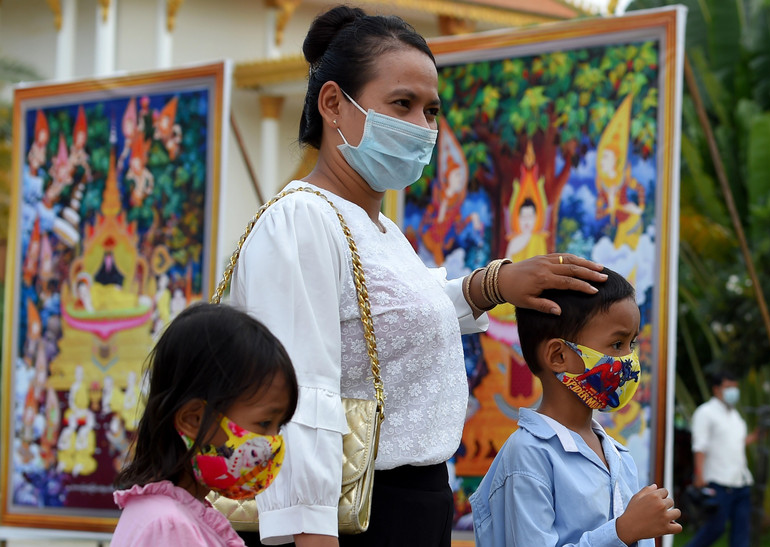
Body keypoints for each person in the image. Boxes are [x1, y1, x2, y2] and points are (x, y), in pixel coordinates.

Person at [230, 6, 609, 546]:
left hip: (414, 504)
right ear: (334, 104)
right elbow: (297, 397)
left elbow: (388, 320)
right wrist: (312, 535)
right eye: (401, 104)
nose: (422, 128)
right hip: (350, 514)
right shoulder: (303, 220)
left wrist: (492, 286)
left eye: (430, 110)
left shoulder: (379, 228)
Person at [469, 268, 682, 546]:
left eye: (632, 343)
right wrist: (622, 531)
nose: (630, 359)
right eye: (617, 344)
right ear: (559, 356)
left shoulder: (619, 456)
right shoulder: (528, 456)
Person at [110, 304, 298, 546]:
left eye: (278, 426)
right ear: (193, 420)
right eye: (264, 423)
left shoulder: (170, 516)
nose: (273, 443)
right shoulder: (170, 527)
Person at [685, 371, 755, 547]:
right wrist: (699, 476)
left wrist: (757, 436)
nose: (733, 391)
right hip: (718, 482)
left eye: (735, 388)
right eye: (729, 387)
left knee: (742, 533)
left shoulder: (735, 415)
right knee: (714, 529)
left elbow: (735, 443)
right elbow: (699, 446)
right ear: (716, 389)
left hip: (741, 482)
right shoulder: (706, 412)